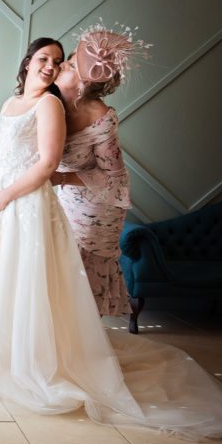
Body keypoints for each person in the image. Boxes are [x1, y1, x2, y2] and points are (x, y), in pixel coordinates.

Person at [0, 35, 222, 441]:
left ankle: (56, 353)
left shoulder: (71, 109)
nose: (55, 67)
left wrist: (18, 190)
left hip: (76, 199)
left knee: (55, 281)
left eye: (61, 62)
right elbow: (4, 151)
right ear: (28, 62)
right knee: (12, 278)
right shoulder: (21, 101)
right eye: (47, 60)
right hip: (14, 200)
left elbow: (52, 162)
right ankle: (10, 347)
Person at [49, 24, 148, 316]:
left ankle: (85, 344)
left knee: (82, 278)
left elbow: (113, 178)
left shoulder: (101, 117)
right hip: (62, 197)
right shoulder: (49, 100)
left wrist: (63, 178)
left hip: (97, 205)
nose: (59, 67)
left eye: (67, 65)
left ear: (81, 83)